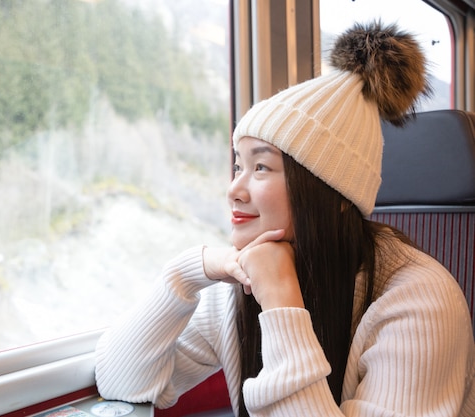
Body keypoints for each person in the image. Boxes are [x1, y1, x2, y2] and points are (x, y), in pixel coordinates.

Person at [94, 21, 475, 416]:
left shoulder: (418, 300)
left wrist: (280, 304)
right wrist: (190, 271)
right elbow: (122, 380)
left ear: (334, 193)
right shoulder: (241, 280)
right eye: (238, 165)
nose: (234, 189)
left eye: (261, 168)